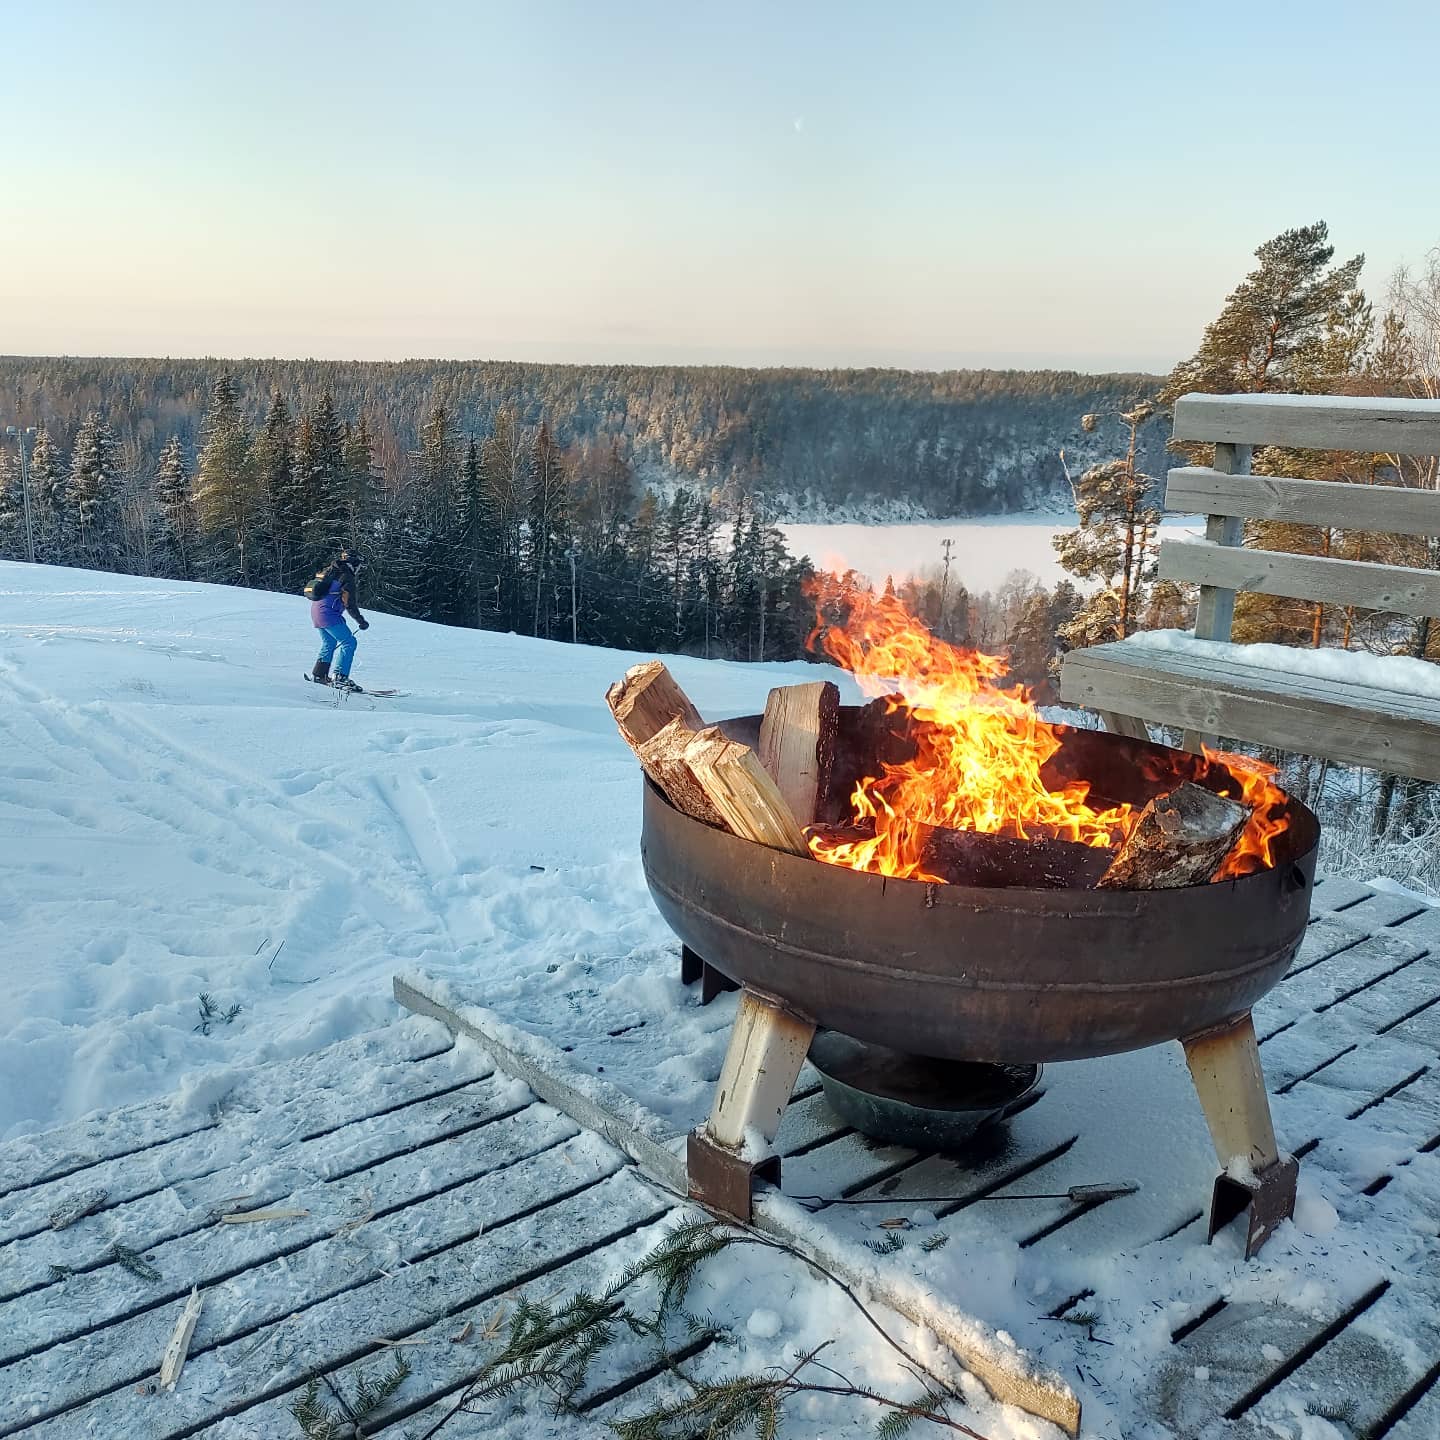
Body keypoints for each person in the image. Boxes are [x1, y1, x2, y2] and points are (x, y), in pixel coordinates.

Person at [307, 546, 370, 692]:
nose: (359, 569)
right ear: (354, 563)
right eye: (359, 565)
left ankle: (319, 675)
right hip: (328, 614)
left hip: (316, 612)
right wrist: (361, 621)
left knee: (329, 642)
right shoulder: (346, 576)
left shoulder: (329, 570)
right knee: (349, 643)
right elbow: (349, 603)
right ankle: (341, 678)